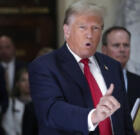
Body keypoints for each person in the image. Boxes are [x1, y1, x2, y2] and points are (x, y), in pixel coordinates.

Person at [28, 1, 135, 135]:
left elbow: (124, 121)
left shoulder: (112, 66)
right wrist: (92, 116)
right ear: (67, 31)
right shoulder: (44, 66)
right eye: (82, 27)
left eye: (95, 28)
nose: (89, 34)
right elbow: (52, 111)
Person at [101, 26, 140, 111]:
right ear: (104, 50)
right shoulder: (94, 78)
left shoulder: (138, 81)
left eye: (126, 45)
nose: (122, 49)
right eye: (116, 45)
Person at [2, 67, 38, 135]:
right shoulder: (11, 103)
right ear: (17, 84)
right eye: (23, 80)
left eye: (30, 80)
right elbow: (7, 127)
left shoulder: (39, 103)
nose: (27, 83)